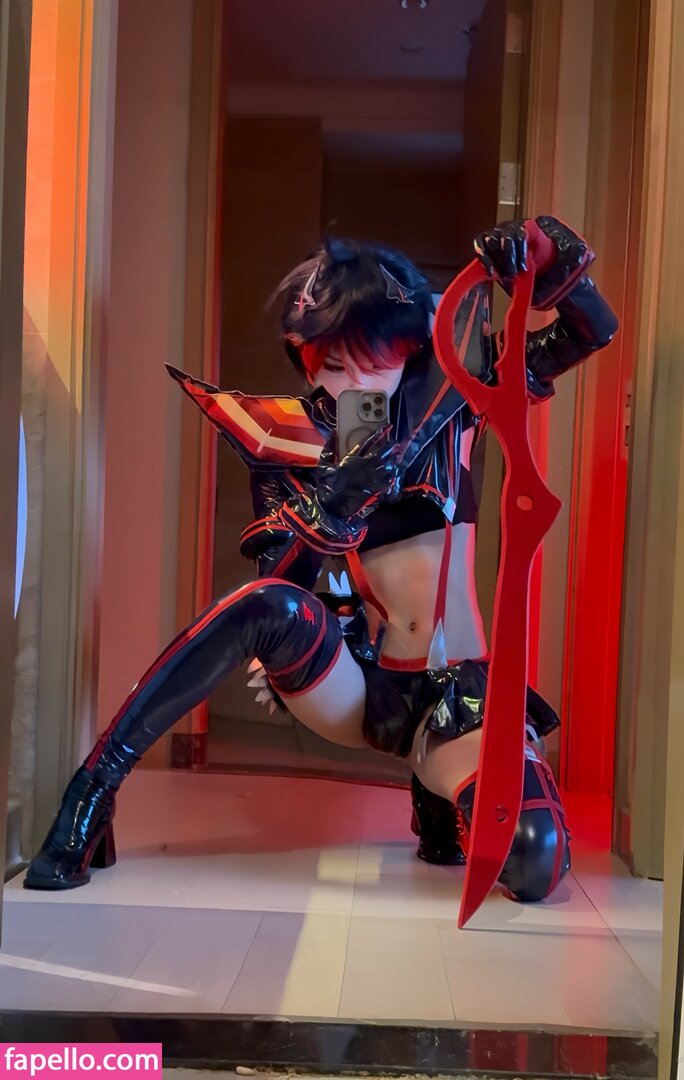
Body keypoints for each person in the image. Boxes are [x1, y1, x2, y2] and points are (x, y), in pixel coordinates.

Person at [24, 217, 618, 916]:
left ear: (409, 348)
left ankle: (439, 793)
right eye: (335, 366)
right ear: (305, 359)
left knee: (533, 855)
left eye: (376, 359)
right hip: (359, 689)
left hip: (457, 695)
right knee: (266, 606)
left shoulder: (456, 399)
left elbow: (590, 331)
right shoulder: (288, 439)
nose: (356, 382)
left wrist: (543, 261)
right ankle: (94, 790)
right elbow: (277, 589)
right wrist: (332, 508)